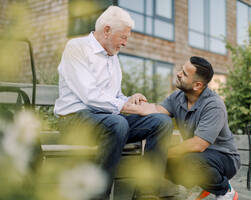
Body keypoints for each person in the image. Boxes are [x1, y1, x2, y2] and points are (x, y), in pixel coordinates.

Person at [54, 6, 172, 200]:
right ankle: (98, 196)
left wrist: (130, 99)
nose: (125, 43)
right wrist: (126, 107)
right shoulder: (76, 48)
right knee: (118, 123)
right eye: (123, 37)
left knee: (161, 123)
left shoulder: (113, 57)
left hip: (109, 121)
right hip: (74, 119)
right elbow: (90, 96)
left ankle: (147, 194)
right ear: (107, 30)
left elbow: (113, 96)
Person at [141, 56, 241, 200]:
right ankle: (201, 185)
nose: (178, 74)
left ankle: (224, 190)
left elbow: (198, 145)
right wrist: (127, 105)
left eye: (184, 74)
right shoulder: (177, 97)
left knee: (188, 160)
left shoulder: (214, 105)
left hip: (225, 159)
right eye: (181, 69)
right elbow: (156, 109)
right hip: (199, 156)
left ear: (197, 85)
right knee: (163, 164)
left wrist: (163, 153)